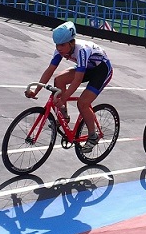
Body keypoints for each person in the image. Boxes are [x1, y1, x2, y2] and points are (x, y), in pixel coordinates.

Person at [24, 21, 113, 153]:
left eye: (62, 45)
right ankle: (64, 117)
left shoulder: (82, 50)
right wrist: (36, 90)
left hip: (101, 70)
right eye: (57, 45)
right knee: (58, 80)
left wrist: (63, 97)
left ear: (72, 43)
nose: (59, 48)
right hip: (87, 68)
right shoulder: (60, 50)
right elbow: (50, 70)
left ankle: (93, 136)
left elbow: (77, 80)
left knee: (83, 103)